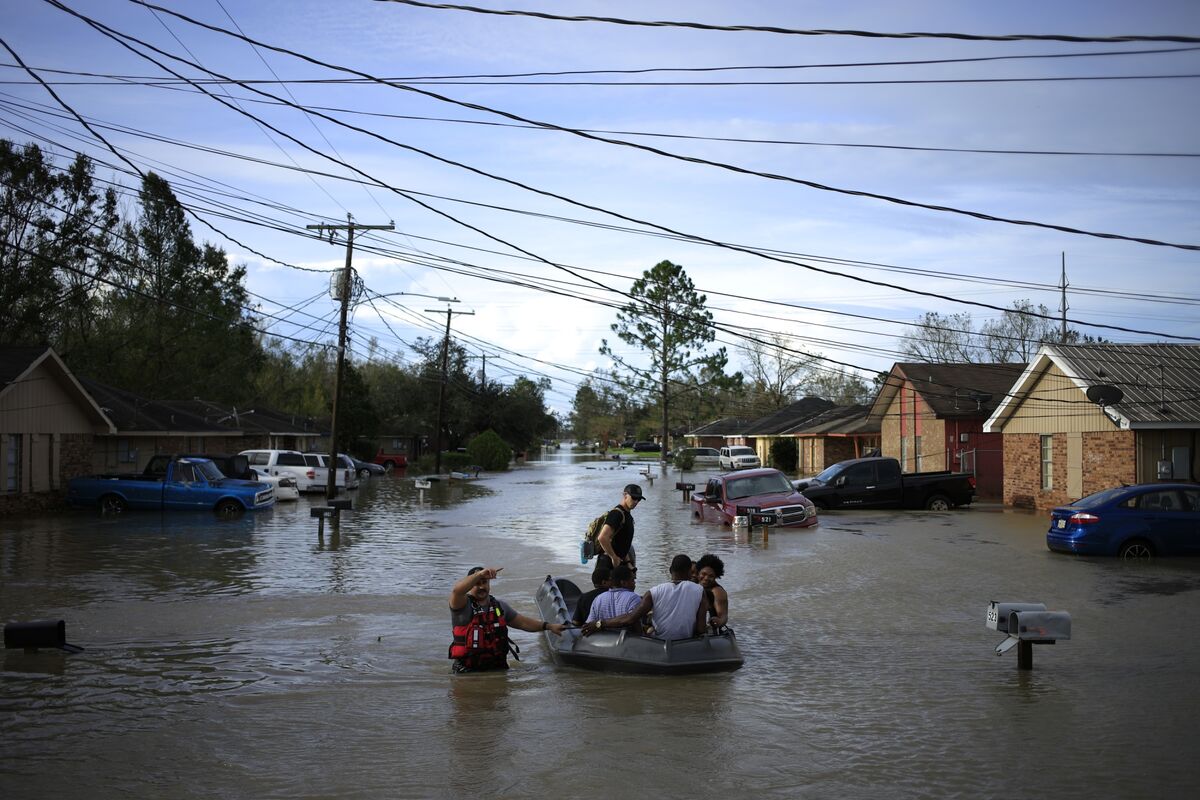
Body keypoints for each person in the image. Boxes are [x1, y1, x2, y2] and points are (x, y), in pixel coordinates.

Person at [448, 566, 567, 673]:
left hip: (498, 671)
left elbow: (523, 623)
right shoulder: (461, 606)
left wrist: (549, 626)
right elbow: (457, 591)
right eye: (477, 584)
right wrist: (479, 574)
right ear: (469, 587)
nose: (481, 587)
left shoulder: (499, 607)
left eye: (484, 582)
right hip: (468, 673)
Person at [580, 554, 706, 641]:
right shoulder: (700, 591)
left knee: (650, 630)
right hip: (687, 645)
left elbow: (629, 619)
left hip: (659, 644)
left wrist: (599, 623)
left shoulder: (653, 592)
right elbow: (701, 629)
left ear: (670, 570)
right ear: (690, 572)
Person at [596, 483, 644, 567]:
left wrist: (628, 563)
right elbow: (602, 537)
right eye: (634, 498)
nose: (636, 501)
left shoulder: (627, 515)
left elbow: (622, 543)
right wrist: (613, 557)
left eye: (639, 499)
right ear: (625, 495)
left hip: (619, 563)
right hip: (607, 565)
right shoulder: (616, 514)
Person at [572, 555, 613, 625]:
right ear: (604, 582)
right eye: (611, 579)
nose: (613, 581)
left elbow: (576, 622)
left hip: (589, 633)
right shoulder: (615, 597)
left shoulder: (584, 597)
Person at [696, 553, 729, 629]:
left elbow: (723, 616)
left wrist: (720, 621)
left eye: (711, 576)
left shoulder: (717, 592)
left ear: (716, 577)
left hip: (711, 630)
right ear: (698, 573)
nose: (706, 578)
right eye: (703, 574)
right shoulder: (695, 586)